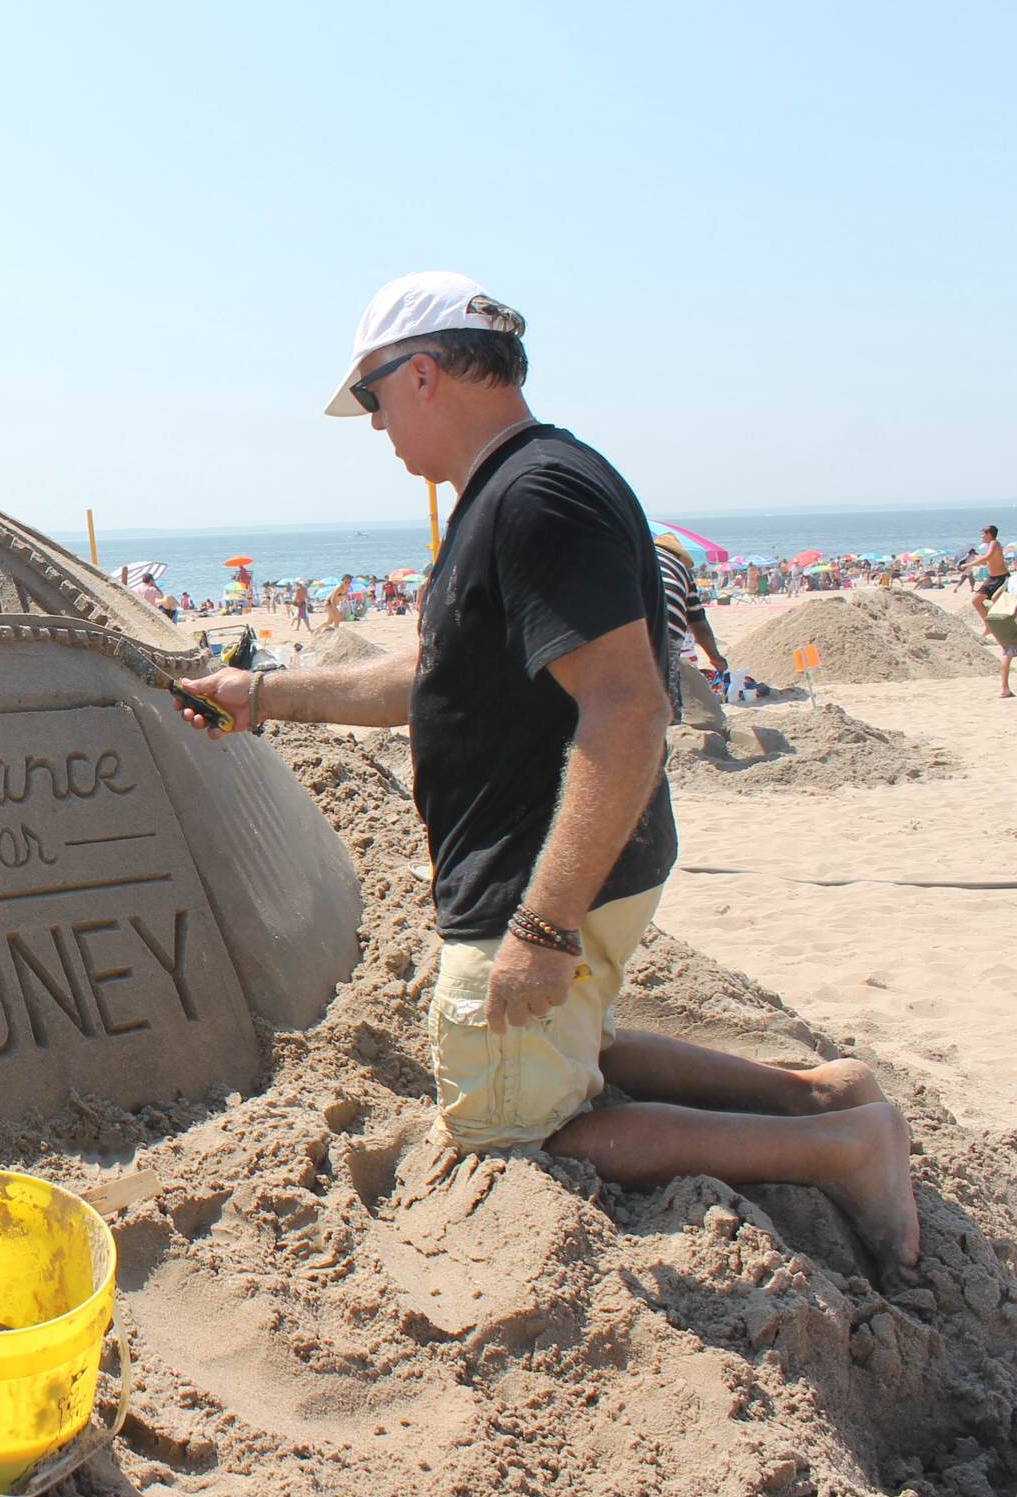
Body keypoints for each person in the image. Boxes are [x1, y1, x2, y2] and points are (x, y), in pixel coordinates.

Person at [175, 271, 919, 1277]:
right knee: (573, 1051)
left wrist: (542, 923)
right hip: (552, 863)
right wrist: (260, 699)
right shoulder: (512, 488)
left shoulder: (535, 497)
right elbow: (435, 678)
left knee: (513, 1130)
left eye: (372, 399)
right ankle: (822, 1095)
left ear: (424, 374)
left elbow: (628, 708)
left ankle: (837, 1147)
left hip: (535, 875)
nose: (374, 427)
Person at [653, 533, 728, 722]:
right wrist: (715, 657)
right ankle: (670, 725)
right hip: (665, 621)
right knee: (666, 682)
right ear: (678, 555)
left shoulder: (641, 556)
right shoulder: (679, 568)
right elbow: (698, 624)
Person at [966, 525, 1007, 631]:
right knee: (976, 601)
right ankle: (989, 626)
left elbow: (987, 557)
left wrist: (967, 565)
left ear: (989, 534)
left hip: (1001, 578)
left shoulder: (994, 543)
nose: (981, 536)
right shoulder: (990, 546)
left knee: (996, 599)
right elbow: (986, 561)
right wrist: (975, 561)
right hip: (992, 578)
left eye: (983, 534)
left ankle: (1003, 625)